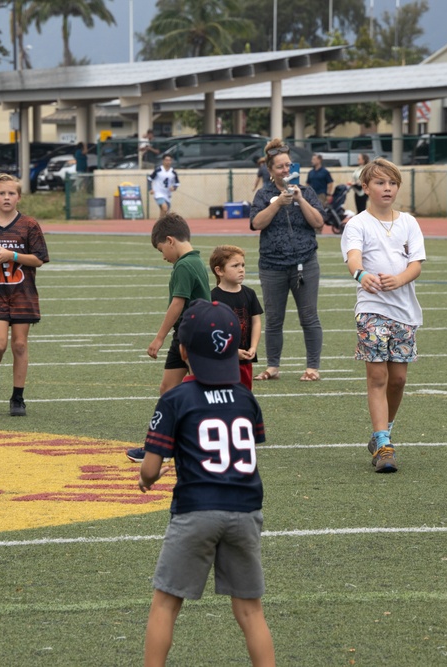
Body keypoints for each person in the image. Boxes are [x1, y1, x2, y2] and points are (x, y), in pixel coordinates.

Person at [137, 298, 275, 667]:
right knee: (250, 612)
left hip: (197, 509)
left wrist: (146, 480)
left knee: (165, 604)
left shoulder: (176, 398)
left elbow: (150, 468)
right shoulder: (246, 398)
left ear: (183, 350)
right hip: (246, 511)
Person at [341, 157, 426, 473]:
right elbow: (353, 258)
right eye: (379, 182)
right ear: (365, 187)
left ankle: (383, 431)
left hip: (404, 312)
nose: (387, 188)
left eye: (392, 182)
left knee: (399, 378)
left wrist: (400, 279)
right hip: (372, 310)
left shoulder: (408, 222)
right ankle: (384, 444)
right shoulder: (358, 224)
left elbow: (416, 263)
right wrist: (361, 275)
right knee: (378, 376)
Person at [126, 212, 210, 463]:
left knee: (202, 390)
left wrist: (158, 338)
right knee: (168, 389)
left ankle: (207, 442)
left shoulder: (184, 265)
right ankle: (159, 446)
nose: (163, 256)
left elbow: (177, 304)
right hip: (186, 334)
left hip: (191, 334)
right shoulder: (194, 261)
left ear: (171, 240)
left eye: (162, 249)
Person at [249, 138, 325, 383]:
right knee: (274, 319)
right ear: (270, 171)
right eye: (280, 167)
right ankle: (273, 366)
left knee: (309, 317)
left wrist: (300, 199)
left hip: (305, 264)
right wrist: (278, 204)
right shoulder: (263, 195)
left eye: (289, 165)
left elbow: (318, 223)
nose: (286, 170)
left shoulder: (308, 191)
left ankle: (312, 367)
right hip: (272, 266)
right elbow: (256, 224)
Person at [0, 173, 50, 417]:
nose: (6, 197)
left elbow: (39, 259)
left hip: (22, 292)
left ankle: (18, 397)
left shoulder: (29, 225)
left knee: (19, 344)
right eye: (1, 193)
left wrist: (12, 255)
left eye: (11, 193)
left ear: (19, 197)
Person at [209, 245, 263, 390]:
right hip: (222, 361)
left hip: (245, 360)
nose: (241, 269)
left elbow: (256, 321)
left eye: (243, 265)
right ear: (219, 271)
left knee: (244, 396)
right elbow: (211, 331)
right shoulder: (212, 297)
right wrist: (232, 352)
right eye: (235, 266)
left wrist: (253, 347)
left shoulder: (249, 293)